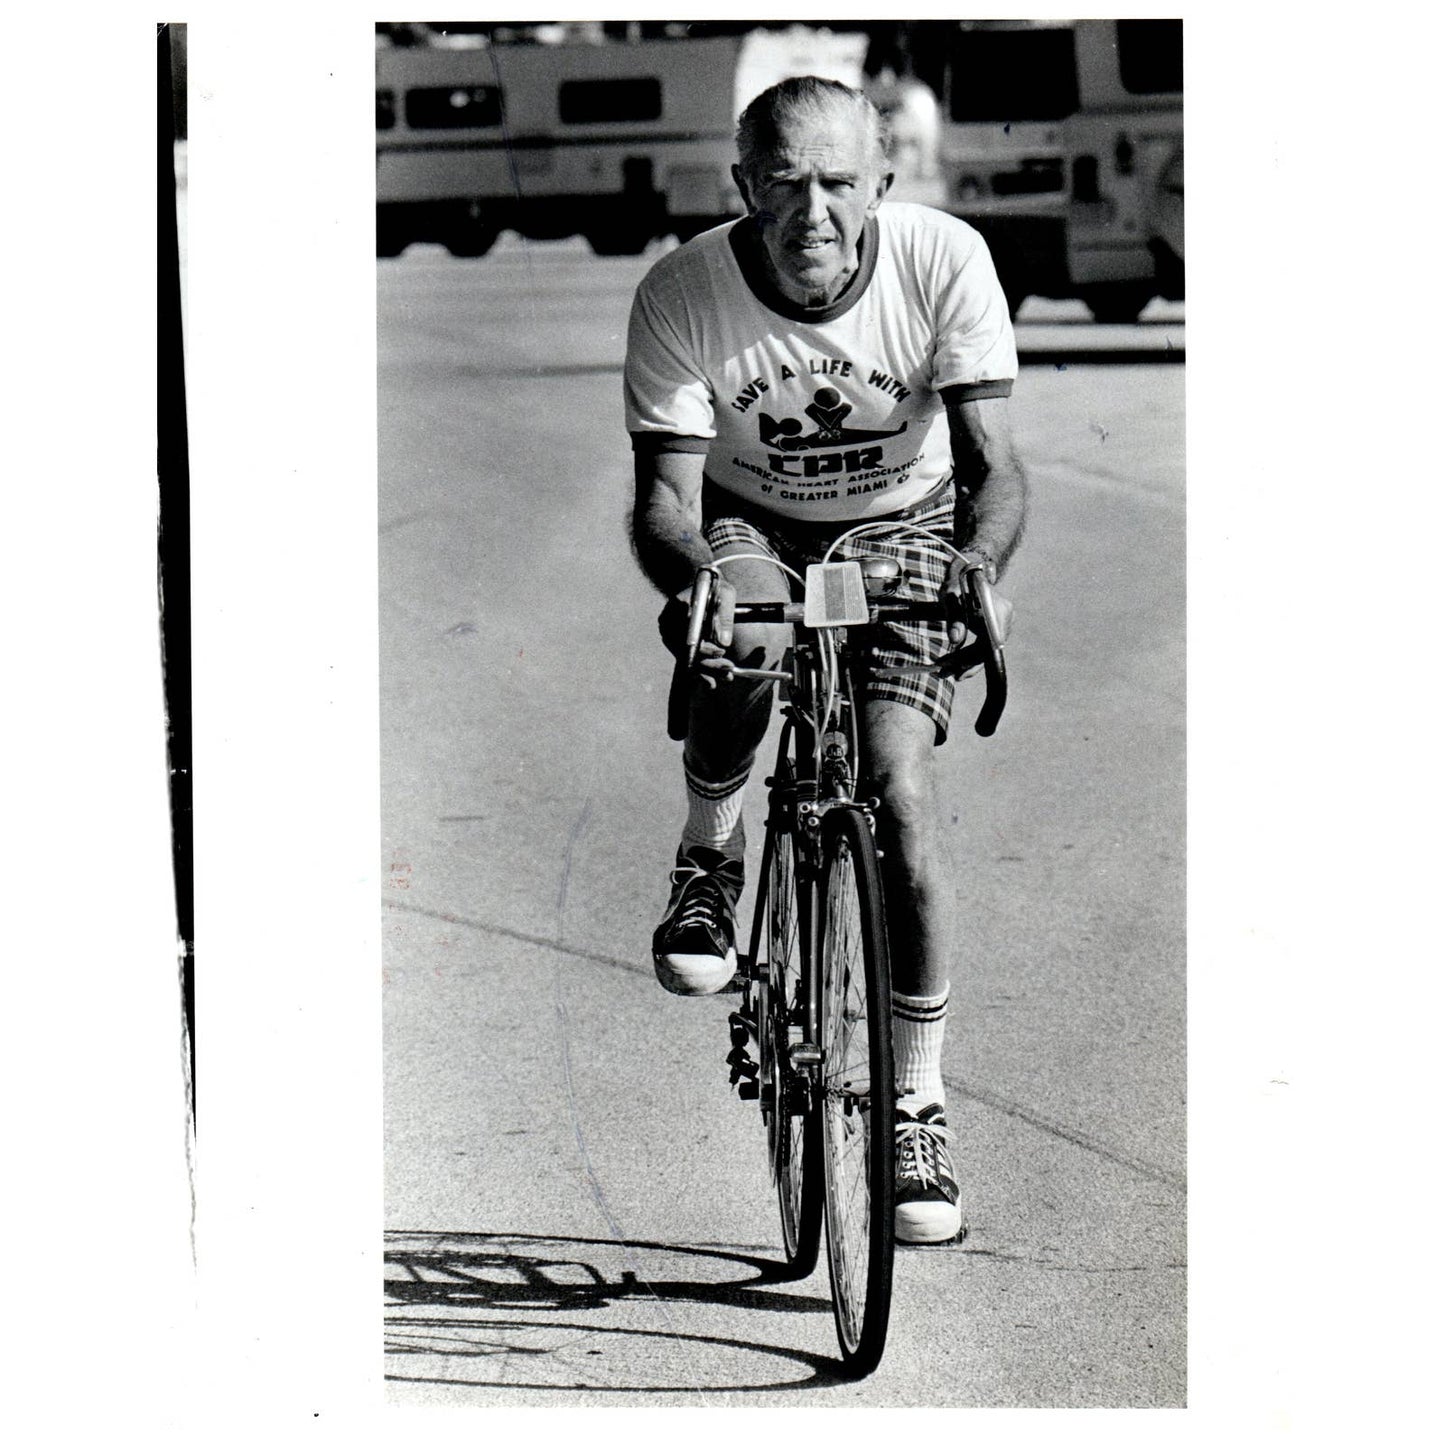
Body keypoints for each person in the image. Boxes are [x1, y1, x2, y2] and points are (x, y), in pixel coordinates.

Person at [624, 76, 1027, 1245]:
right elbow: (663, 496)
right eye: (785, 182)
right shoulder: (682, 291)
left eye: (838, 182)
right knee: (741, 624)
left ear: (880, 187)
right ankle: (709, 854)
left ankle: (914, 1102)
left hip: (904, 525)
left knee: (899, 795)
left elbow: (993, 462)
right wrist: (694, 577)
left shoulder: (941, 261)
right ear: (742, 187)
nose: (813, 210)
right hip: (748, 515)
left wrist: (977, 566)